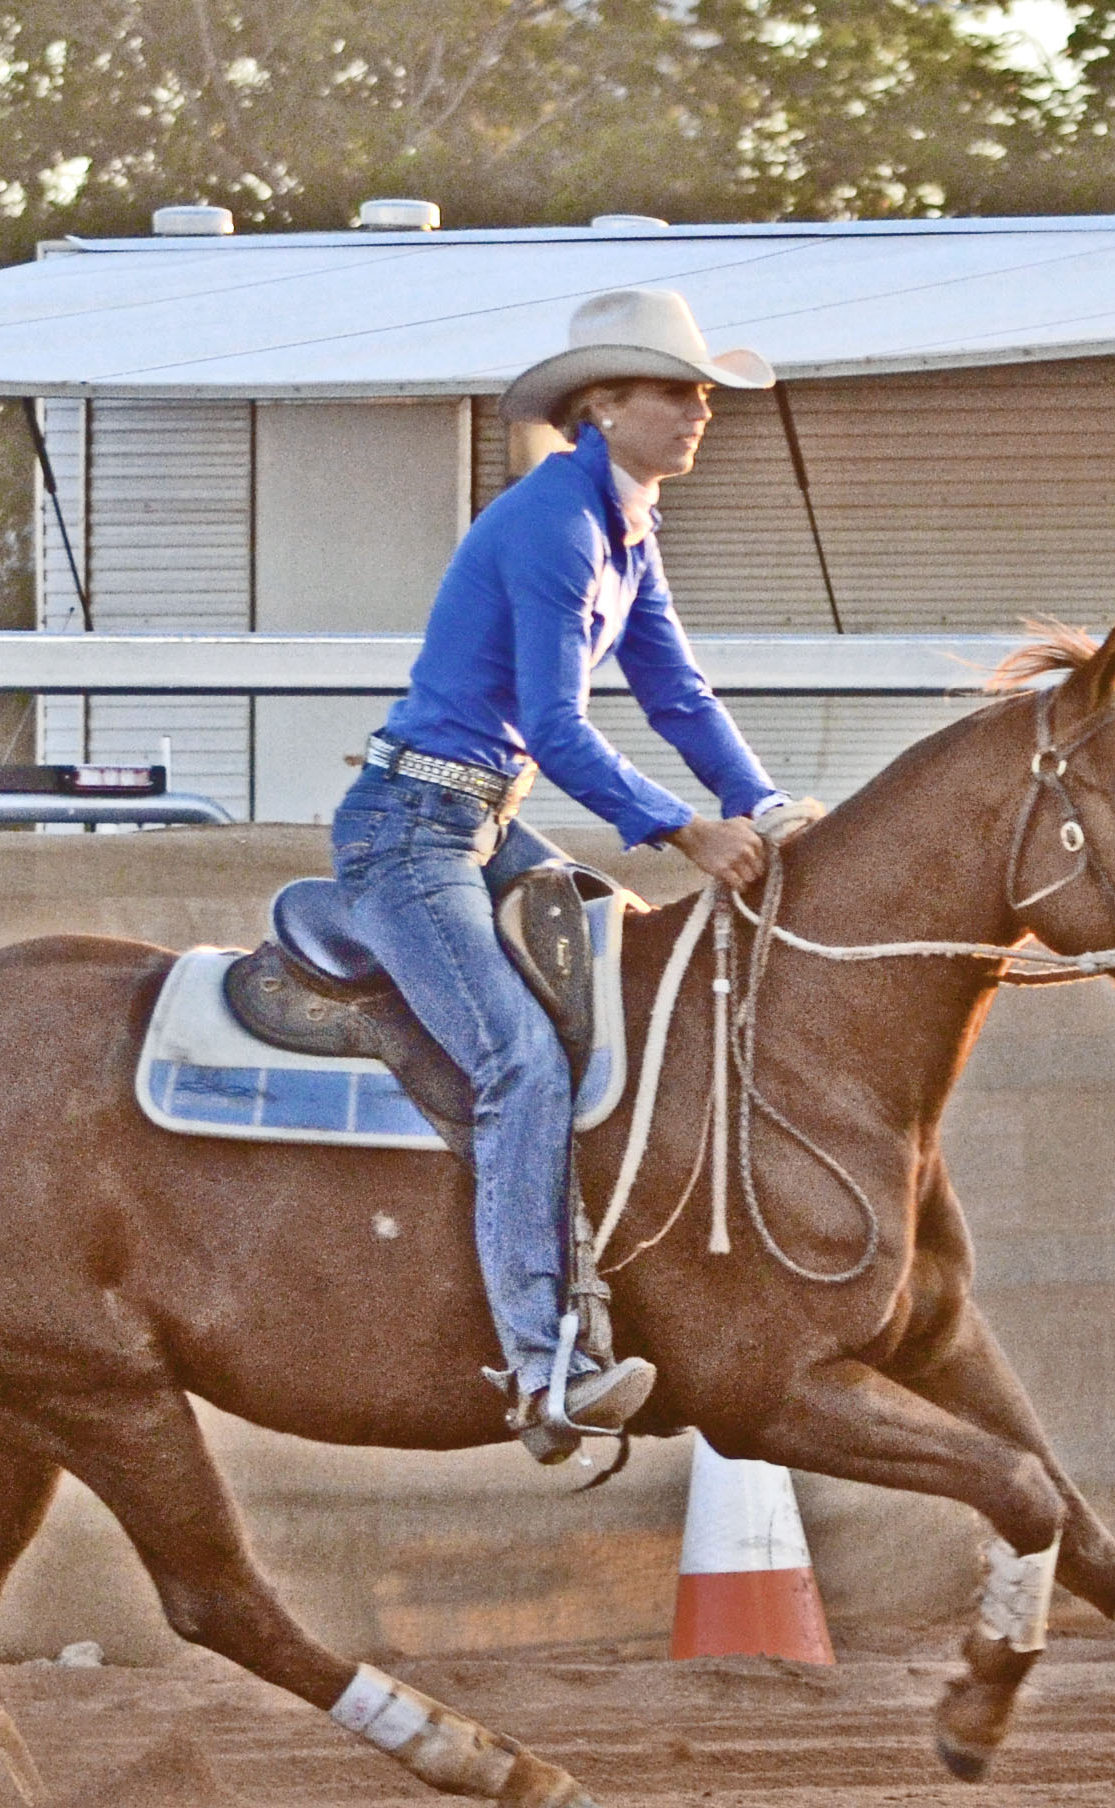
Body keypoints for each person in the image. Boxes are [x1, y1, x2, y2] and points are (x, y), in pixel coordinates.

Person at [333, 287, 808, 1460]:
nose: (701, 411)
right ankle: (542, 1368)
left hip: (478, 822)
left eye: (704, 394)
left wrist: (761, 806)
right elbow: (554, 723)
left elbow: (676, 692)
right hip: (412, 831)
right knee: (518, 1061)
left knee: (623, 970)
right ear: (602, 404)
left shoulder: (624, 524)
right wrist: (686, 831)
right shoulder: (555, 522)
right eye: (676, 392)